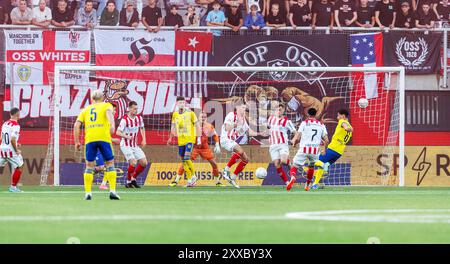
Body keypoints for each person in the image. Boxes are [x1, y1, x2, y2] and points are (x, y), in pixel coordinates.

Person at [74, 90, 120, 200]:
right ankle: (112, 191)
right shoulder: (106, 105)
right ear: (102, 97)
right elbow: (109, 113)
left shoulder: (85, 110)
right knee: (110, 164)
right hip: (104, 138)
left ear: (92, 98)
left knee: (89, 166)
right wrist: (112, 125)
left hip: (90, 139)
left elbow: (76, 125)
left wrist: (77, 142)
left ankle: (88, 193)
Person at [170, 111, 223, 187]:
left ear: (206, 118)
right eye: (202, 117)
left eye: (205, 117)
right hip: (194, 147)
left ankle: (218, 182)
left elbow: (215, 135)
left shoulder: (209, 126)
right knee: (185, 162)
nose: (203, 118)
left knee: (214, 163)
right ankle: (176, 181)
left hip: (205, 148)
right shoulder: (193, 125)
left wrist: (217, 144)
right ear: (198, 118)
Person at [220, 102, 262, 189]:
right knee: (240, 151)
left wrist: (261, 133)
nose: (244, 109)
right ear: (237, 108)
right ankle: (226, 170)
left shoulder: (243, 120)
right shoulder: (231, 115)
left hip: (232, 141)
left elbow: (249, 132)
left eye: (244, 108)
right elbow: (227, 127)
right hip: (225, 139)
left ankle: (233, 178)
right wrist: (235, 124)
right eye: (243, 108)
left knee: (246, 159)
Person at [311, 109, 353, 190]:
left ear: (343, 116)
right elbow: (348, 129)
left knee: (315, 160)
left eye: (338, 115)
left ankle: (323, 168)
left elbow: (345, 126)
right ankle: (315, 184)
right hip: (339, 152)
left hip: (333, 148)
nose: (337, 117)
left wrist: (347, 128)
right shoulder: (350, 125)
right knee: (323, 165)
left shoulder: (342, 121)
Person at [288, 108, 328, 191]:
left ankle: (292, 177)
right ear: (316, 114)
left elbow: (298, 136)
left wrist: (294, 143)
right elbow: (327, 140)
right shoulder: (321, 124)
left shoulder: (304, 123)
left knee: (294, 165)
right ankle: (307, 185)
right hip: (314, 151)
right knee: (311, 167)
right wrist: (324, 149)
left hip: (304, 148)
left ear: (308, 114)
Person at [167, 97, 201, 187]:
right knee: (183, 161)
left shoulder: (191, 113)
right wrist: (170, 138)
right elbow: (173, 127)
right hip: (181, 141)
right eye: (180, 102)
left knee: (186, 157)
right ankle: (190, 180)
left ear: (185, 103)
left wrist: (199, 138)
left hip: (190, 139)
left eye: (183, 102)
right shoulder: (175, 114)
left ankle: (193, 175)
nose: (181, 104)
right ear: (177, 104)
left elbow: (197, 125)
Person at [116, 101, 148, 189]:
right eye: (134, 109)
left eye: (137, 109)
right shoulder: (124, 120)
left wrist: (144, 139)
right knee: (133, 162)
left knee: (144, 163)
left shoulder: (139, 118)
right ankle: (128, 182)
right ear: (129, 109)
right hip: (125, 144)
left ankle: (133, 179)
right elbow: (118, 132)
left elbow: (142, 128)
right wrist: (126, 136)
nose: (136, 110)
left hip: (134, 145)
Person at [267, 103, 298, 186]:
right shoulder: (270, 119)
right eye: (277, 109)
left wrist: (293, 140)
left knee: (283, 161)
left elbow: (296, 133)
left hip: (282, 144)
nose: (278, 111)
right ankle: (287, 182)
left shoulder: (287, 121)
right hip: (273, 145)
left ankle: (291, 169)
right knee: (277, 164)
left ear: (283, 110)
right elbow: (269, 129)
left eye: (280, 110)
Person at [0, 108, 24, 193]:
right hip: (11, 151)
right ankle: (13, 187)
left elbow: (2, 138)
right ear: (18, 115)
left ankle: (13, 187)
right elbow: (12, 139)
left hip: (2, 149)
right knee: (20, 166)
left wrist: (16, 144)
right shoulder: (16, 125)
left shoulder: (5, 123)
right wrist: (16, 149)